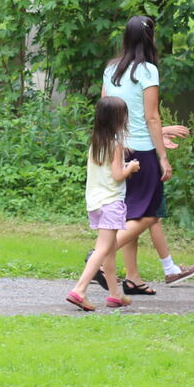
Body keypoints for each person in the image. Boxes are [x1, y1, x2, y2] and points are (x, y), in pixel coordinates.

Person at [97, 14, 194, 295]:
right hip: (142, 149)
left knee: (130, 213)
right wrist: (162, 155)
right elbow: (151, 116)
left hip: (116, 146)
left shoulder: (111, 69)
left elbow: (107, 109)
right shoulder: (147, 71)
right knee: (150, 212)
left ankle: (132, 277)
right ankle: (97, 258)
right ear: (150, 38)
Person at [66, 96, 141, 311]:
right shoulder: (116, 146)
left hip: (96, 203)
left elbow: (106, 172)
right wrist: (131, 168)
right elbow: (117, 175)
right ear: (119, 120)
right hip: (111, 203)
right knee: (102, 249)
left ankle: (115, 294)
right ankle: (79, 290)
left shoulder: (96, 143)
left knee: (109, 250)